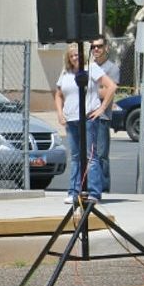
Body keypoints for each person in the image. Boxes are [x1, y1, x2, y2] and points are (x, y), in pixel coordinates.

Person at [54, 43, 117, 208]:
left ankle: (94, 192)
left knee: (91, 157)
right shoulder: (65, 72)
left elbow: (111, 86)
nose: (75, 58)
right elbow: (59, 95)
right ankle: (73, 192)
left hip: (88, 118)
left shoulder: (92, 68)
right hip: (71, 119)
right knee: (75, 157)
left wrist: (102, 108)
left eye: (77, 55)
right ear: (68, 58)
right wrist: (60, 114)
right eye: (72, 55)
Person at [90, 37, 121, 194]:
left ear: (106, 48)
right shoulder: (88, 67)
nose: (96, 49)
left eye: (99, 46)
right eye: (93, 47)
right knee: (89, 155)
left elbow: (108, 91)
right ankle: (90, 187)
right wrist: (99, 88)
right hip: (87, 116)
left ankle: (103, 188)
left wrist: (90, 90)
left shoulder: (112, 68)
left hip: (102, 118)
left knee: (101, 155)